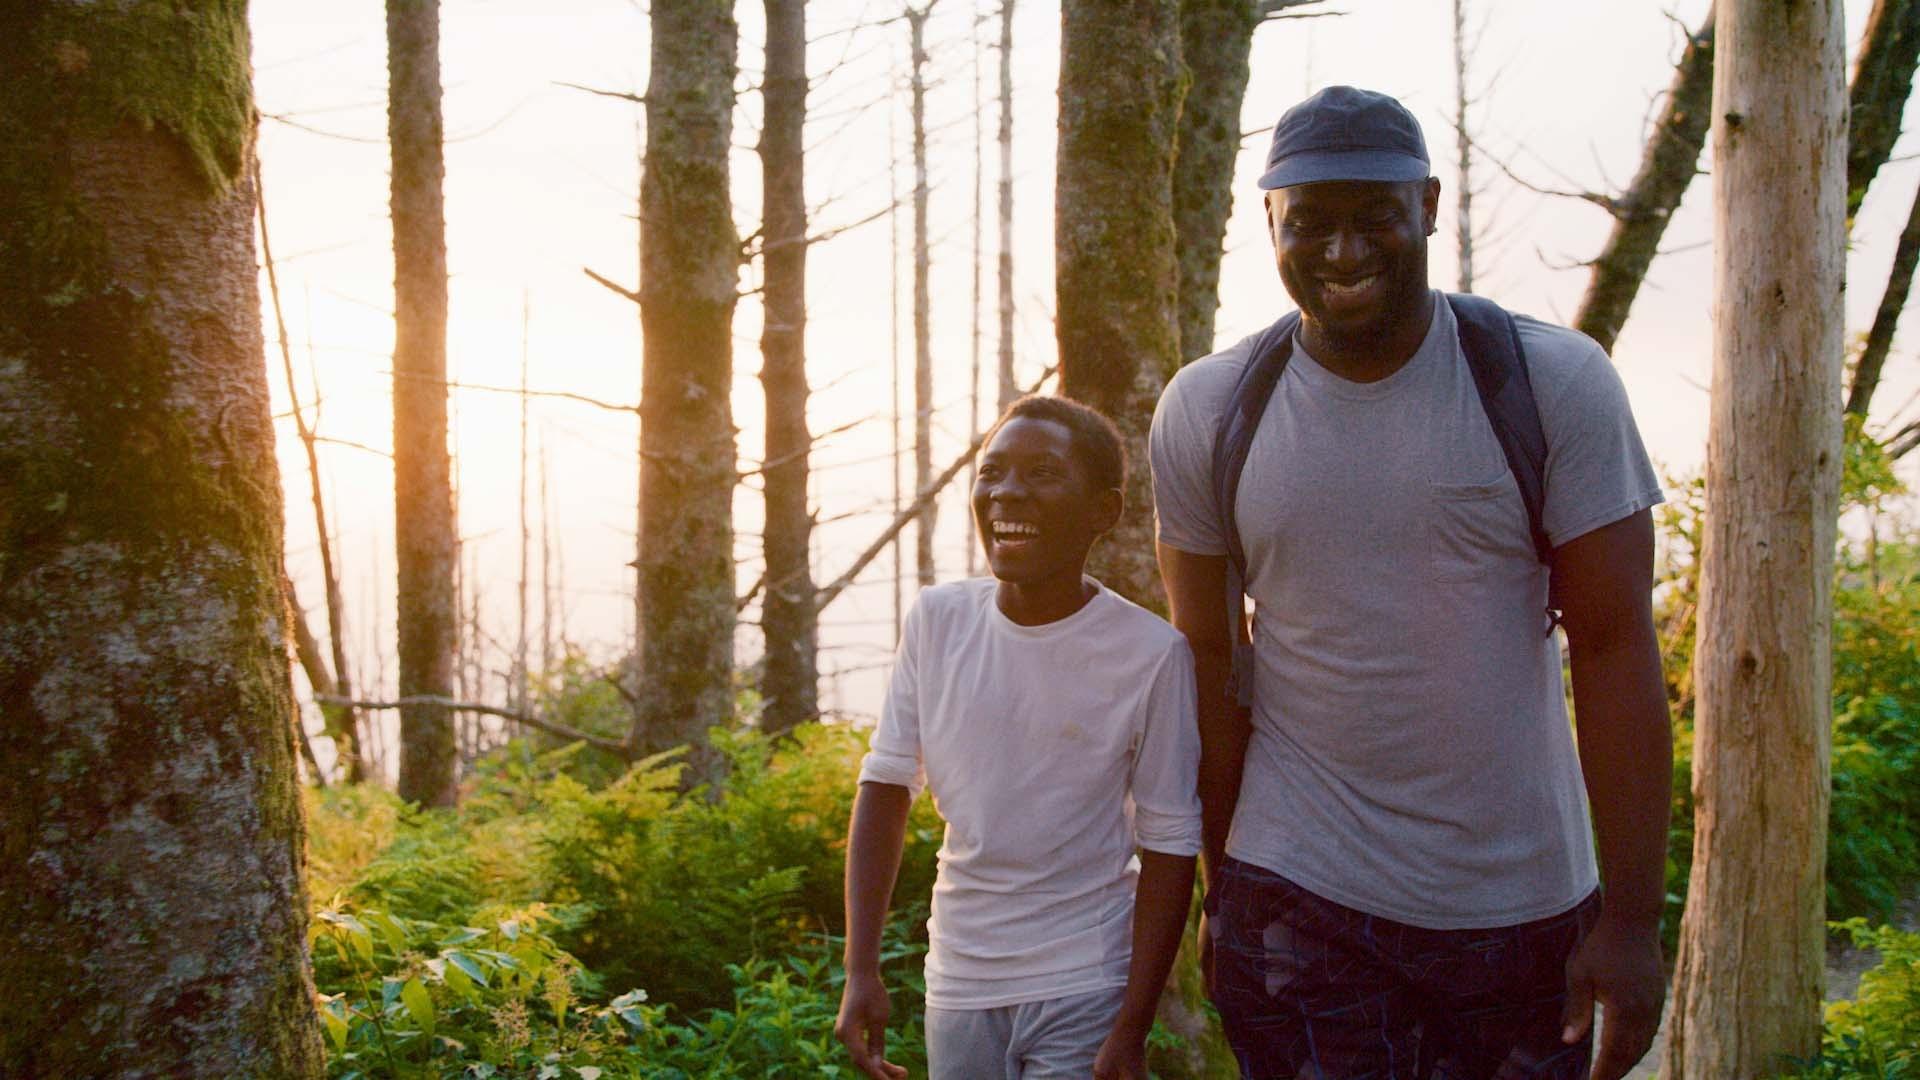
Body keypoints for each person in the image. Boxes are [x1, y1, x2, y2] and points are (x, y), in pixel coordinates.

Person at [1149, 85, 1673, 1080]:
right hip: (1300, 892)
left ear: (1428, 206)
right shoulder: (1210, 411)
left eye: (1373, 218)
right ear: (1269, 222)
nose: (1342, 253)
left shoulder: (1551, 384)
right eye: (1308, 223)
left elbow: (1612, 647)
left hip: (1521, 907)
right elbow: (1212, 661)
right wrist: (1227, 896)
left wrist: (1633, 923)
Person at [834, 394, 1203, 1080]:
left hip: (1084, 982)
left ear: (1105, 511)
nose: (1008, 492)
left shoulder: (1150, 654)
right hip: (959, 980)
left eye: (1043, 473)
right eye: (993, 470)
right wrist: (861, 968)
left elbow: (1171, 844)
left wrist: (1133, 1021)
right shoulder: (938, 621)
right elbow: (886, 785)